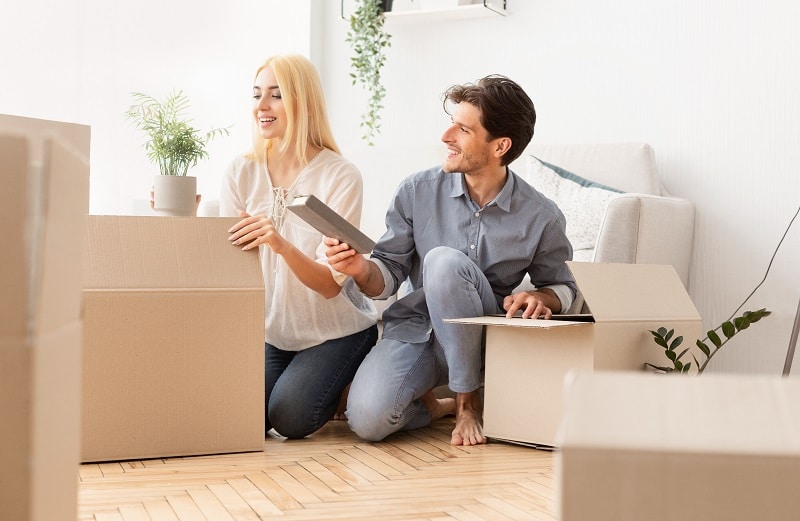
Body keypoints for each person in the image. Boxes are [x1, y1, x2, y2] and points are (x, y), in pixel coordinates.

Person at [325, 75, 577, 446]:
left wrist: (543, 298)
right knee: (366, 420)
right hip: (417, 331)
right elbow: (388, 275)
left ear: (499, 146)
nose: (446, 137)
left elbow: (566, 287)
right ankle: (437, 407)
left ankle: (467, 403)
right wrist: (360, 268)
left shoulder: (541, 216)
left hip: (481, 339)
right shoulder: (416, 191)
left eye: (462, 129)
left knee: (443, 261)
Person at [224, 54, 378, 439]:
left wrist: (280, 243)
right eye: (257, 94)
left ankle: (348, 377)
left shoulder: (340, 176)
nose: (261, 106)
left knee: (290, 418)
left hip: (334, 332)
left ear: (302, 102)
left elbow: (329, 284)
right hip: (273, 333)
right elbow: (229, 264)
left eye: (275, 95)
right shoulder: (240, 172)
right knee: (243, 418)